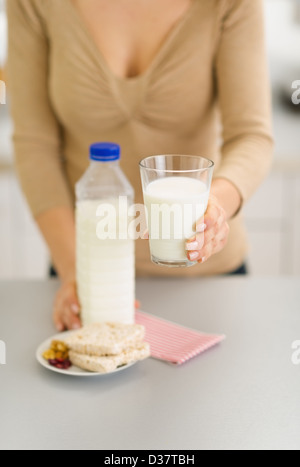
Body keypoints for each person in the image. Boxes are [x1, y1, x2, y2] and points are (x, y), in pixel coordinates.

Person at [7, 0, 273, 331]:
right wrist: (78, 271)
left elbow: (251, 136)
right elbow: (35, 145)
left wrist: (215, 205)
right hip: (86, 267)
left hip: (208, 280)